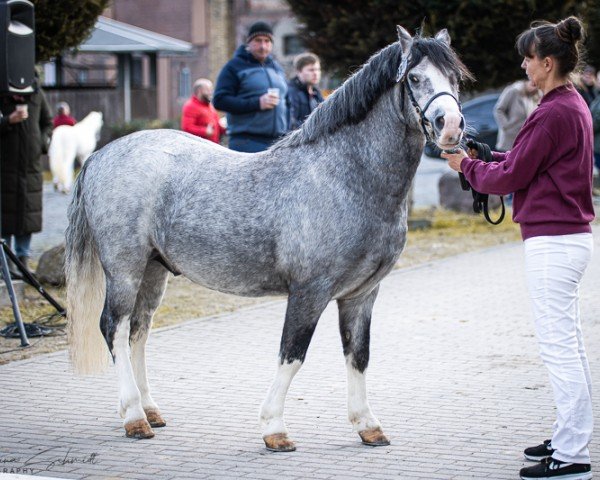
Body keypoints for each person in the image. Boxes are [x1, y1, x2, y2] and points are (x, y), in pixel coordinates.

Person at [442, 16, 594, 480]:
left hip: (554, 240)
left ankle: (572, 456)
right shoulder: (569, 104)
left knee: (559, 348)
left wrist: (465, 166)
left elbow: (512, 178)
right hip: (563, 237)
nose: (525, 65)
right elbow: (523, 163)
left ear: (547, 63)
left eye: (529, 58)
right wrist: (484, 157)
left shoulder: (553, 112)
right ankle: (569, 436)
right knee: (568, 346)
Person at [0, 83, 53, 271]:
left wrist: (41, 143)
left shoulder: (37, 95)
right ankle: (5, 264)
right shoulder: (3, 94)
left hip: (31, 168)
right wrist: (8, 120)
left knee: (27, 215)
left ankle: (23, 259)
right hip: (5, 169)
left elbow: (48, 122)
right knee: (4, 216)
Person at [213, 21, 288, 153]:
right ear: (248, 42)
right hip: (247, 142)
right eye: (258, 41)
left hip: (278, 142)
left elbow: (287, 100)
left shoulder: (277, 68)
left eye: (267, 41)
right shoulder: (234, 66)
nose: (263, 46)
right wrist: (257, 103)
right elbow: (220, 100)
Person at [493, 79, 539, 151]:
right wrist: (506, 126)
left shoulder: (533, 97)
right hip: (509, 139)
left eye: (536, 86)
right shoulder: (513, 91)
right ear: (527, 80)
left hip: (524, 140)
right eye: (532, 84)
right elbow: (498, 110)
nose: (534, 87)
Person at [287, 52, 324, 130]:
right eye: (311, 70)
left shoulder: (316, 93)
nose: (316, 73)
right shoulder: (291, 92)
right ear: (299, 71)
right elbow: (291, 122)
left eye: (318, 69)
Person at [181, 78, 225, 144]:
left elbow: (216, 124)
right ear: (199, 91)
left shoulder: (209, 106)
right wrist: (204, 131)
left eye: (211, 89)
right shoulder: (190, 106)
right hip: (200, 147)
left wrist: (225, 128)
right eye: (208, 89)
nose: (211, 92)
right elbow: (187, 128)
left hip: (213, 146)